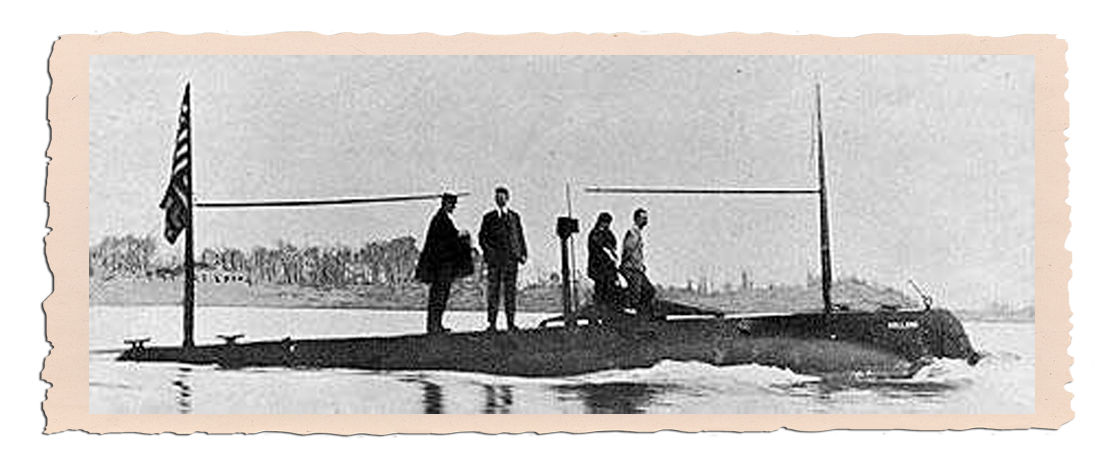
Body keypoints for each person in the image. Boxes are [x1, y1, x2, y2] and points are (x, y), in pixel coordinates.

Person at [414, 193, 472, 334]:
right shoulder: (441, 220)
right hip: (440, 267)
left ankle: (436, 324)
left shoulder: (441, 219)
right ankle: (434, 325)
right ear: (447, 204)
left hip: (442, 267)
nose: (454, 207)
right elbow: (447, 241)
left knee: (440, 295)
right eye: (452, 205)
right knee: (438, 295)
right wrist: (461, 236)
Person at [478, 186, 528, 332]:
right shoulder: (489, 218)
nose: (499, 199)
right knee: (493, 293)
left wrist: (523, 253)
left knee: (510, 293)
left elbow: (520, 236)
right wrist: (490, 254)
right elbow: (482, 238)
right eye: (497, 197)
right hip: (495, 262)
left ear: (507, 199)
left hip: (511, 261)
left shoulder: (514, 217)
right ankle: (492, 324)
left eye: (502, 197)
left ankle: (511, 323)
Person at [621, 207, 657, 319]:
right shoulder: (633, 233)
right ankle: (635, 314)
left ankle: (643, 313)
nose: (646, 221)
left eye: (646, 218)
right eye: (643, 218)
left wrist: (641, 264)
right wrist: (627, 265)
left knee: (648, 290)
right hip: (632, 268)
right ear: (636, 219)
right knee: (638, 292)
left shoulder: (637, 233)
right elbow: (628, 250)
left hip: (636, 267)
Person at [587, 212, 622, 310]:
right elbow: (596, 249)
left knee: (611, 288)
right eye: (605, 222)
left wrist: (611, 252)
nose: (607, 224)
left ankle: (610, 308)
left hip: (609, 266)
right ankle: (599, 308)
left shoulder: (608, 233)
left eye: (608, 223)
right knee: (600, 288)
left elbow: (613, 244)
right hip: (598, 267)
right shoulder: (594, 233)